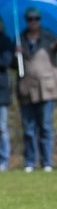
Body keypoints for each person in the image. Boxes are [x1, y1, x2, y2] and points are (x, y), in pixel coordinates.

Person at [16, 6, 57, 171]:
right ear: (26, 21)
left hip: (47, 88)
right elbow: (12, 65)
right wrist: (16, 54)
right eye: (30, 19)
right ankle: (29, 162)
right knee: (29, 128)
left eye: (36, 19)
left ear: (40, 21)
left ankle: (47, 162)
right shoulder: (20, 39)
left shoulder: (49, 37)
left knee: (45, 126)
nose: (33, 22)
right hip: (27, 89)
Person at [0, 21, 12, 170]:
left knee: (1, 127)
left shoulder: (5, 40)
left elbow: (6, 62)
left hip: (1, 92)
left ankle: (4, 160)